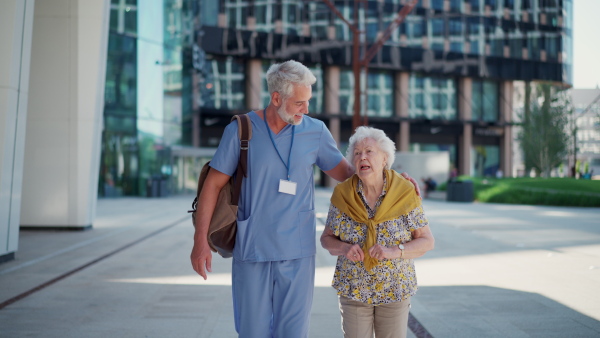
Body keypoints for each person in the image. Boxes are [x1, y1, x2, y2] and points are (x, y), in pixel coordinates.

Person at [190, 60, 420, 337]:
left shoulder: (315, 131)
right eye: (299, 102)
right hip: (252, 247)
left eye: (308, 101)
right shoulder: (241, 130)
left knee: (294, 333)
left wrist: (395, 182)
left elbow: (351, 175)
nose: (306, 109)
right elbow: (212, 187)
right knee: (251, 331)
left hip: (296, 251)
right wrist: (200, 242)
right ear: (277, 98)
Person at [320, 126, 435, 338]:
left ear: (384, 159)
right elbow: (326, 239)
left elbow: (427, 241)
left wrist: (394, 251)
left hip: (395, 289)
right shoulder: (343, 194)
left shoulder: (404, 191)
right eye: (357, 153)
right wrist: (344, 247)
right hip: (354, 288)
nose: (362, 156)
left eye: (369, 151)